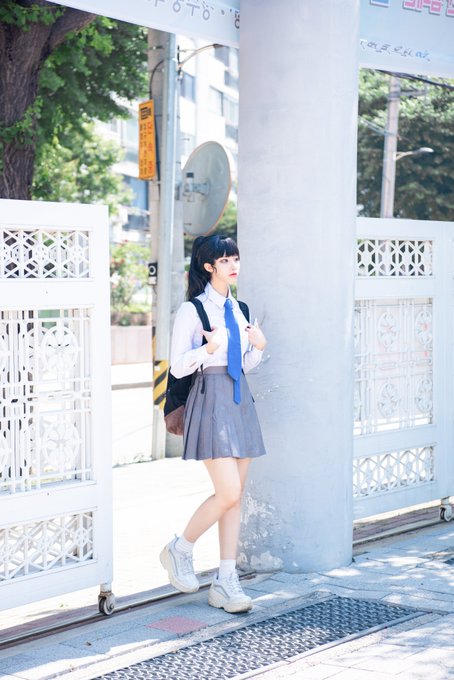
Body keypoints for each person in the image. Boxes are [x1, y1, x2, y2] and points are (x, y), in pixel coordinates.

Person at [160, 234, 267, 614]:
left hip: (240, 400)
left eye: (235, 258)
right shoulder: (193, 311)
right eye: (224, 260)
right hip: (209, 400)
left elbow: (244, 364)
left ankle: (226, 579)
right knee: (228, 492)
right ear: (208, 266)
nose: (233, 265)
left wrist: (259, 347)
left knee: (236, 496)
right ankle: (180, 548)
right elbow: (177, 366)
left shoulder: (241, 308)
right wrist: (207, 348)